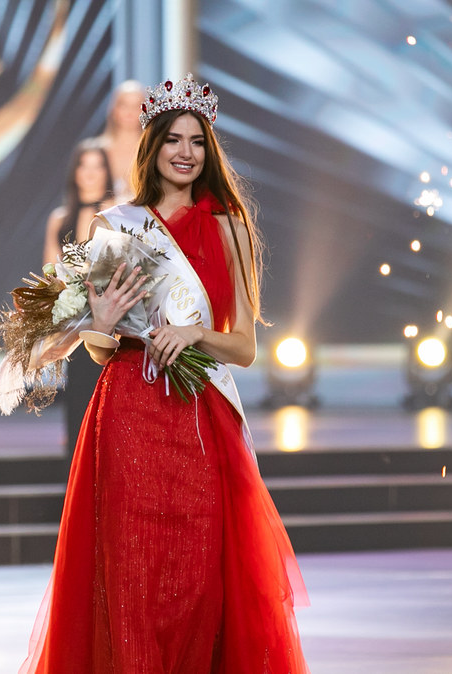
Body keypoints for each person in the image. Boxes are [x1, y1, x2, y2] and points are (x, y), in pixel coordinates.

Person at [19, 74, 309, 673]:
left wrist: (195, 333)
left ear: (209, 151)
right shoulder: (117, 225)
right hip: (126, 413)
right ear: (151, 148)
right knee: (132, 573)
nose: (185, 152)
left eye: (197, 141)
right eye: (173, 139)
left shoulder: (229, 225)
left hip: (199, 419)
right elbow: (100, 348)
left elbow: (246, 348)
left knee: (197, 576)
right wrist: (97, 320)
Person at [43, 140, 116, 447]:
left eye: (97, 165)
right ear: (74, 172)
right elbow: (49, 271)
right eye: (83, 165)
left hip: (111, 324)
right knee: (79, 405)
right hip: (75, 326)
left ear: (106, 171)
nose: (90, 173)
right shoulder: (60, 218)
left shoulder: (118, 212)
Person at [94, 79, 145, 201]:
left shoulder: (154, 150)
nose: (129, 112)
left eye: (136, 106)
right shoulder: (97, 150)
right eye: (124, 105)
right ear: (114, 109)